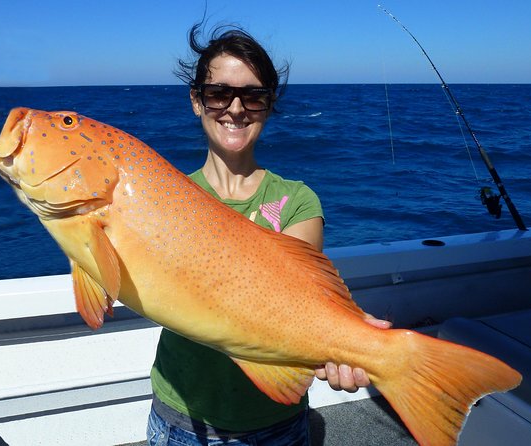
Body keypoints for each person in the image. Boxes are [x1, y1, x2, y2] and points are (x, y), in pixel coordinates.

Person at [148, 24, 391, 445]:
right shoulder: (165, 196)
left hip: (276, 426)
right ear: (196, 101)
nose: (236, 109)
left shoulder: (297, 201)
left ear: (269, 104)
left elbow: (297, 298)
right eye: (219, 93)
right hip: (181, 420)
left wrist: (351, 340)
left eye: (254, 96)